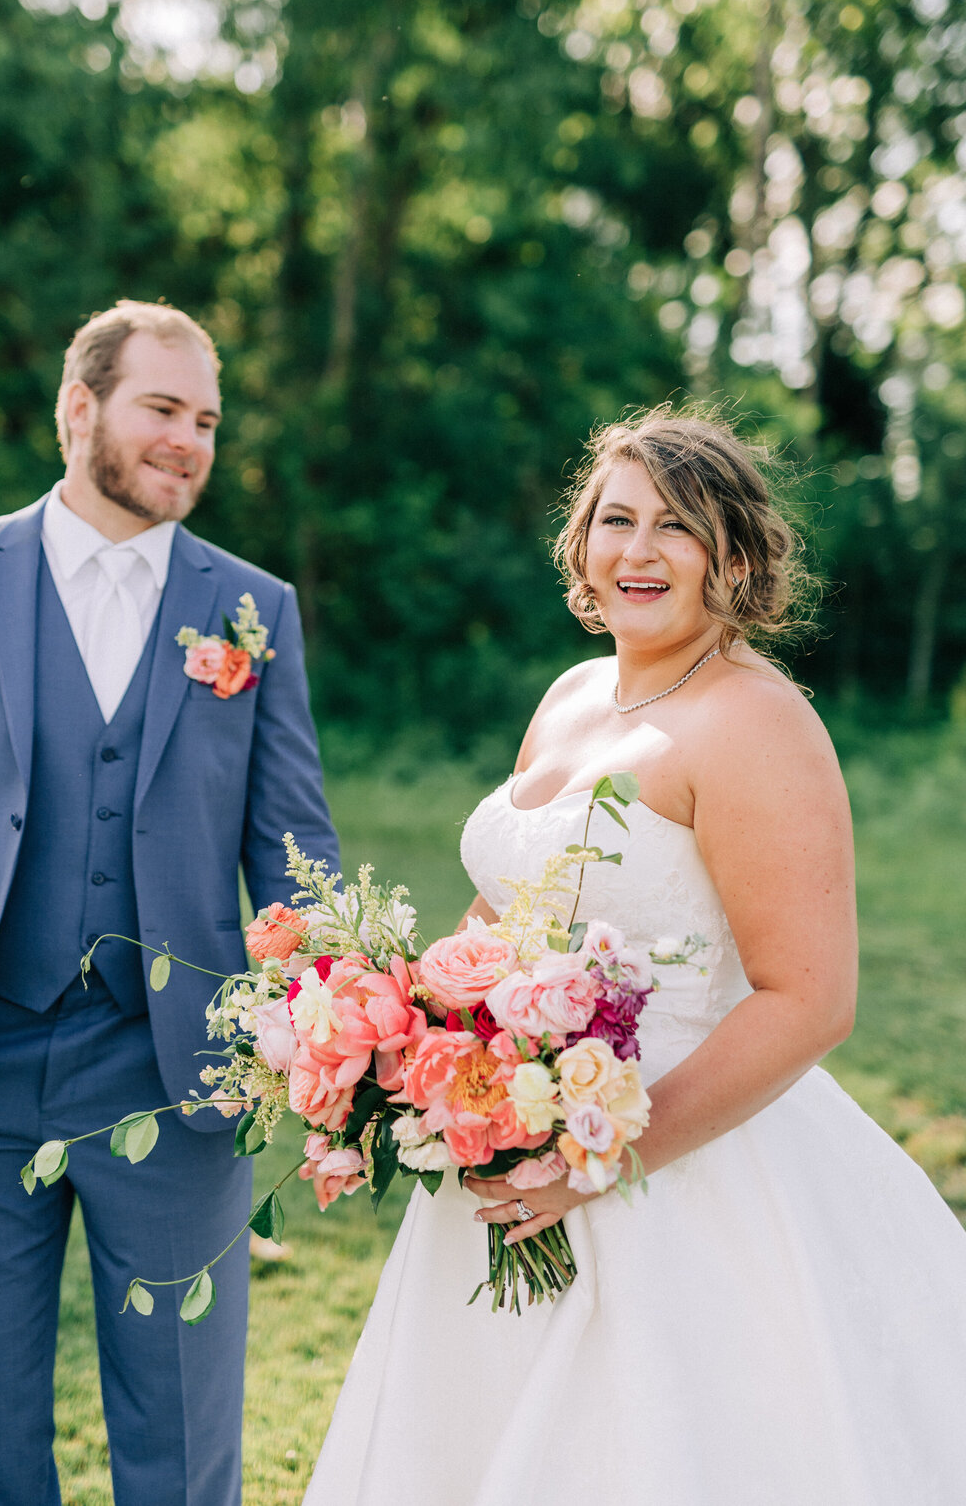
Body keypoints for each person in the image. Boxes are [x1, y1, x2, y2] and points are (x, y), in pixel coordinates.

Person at [303, 407, 966, 1506]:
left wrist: (602, 1157)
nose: (638, 550)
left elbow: (811, 998)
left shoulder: (759, 724)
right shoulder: (571, 696)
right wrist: (403, 1029)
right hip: (511, 1134)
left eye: (678, 526)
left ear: (736, 558)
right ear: (582, 543)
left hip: (677, 1147)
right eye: (617, 519)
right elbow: (510, 904)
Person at [0, 300, 339, 1506]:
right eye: (162, 407)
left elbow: (292, 839)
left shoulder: (250, 605)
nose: (189, 440)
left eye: (207, 419)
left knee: (182, 1430)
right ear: (80, 408)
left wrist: (311, 1028)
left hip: (175, 1064)